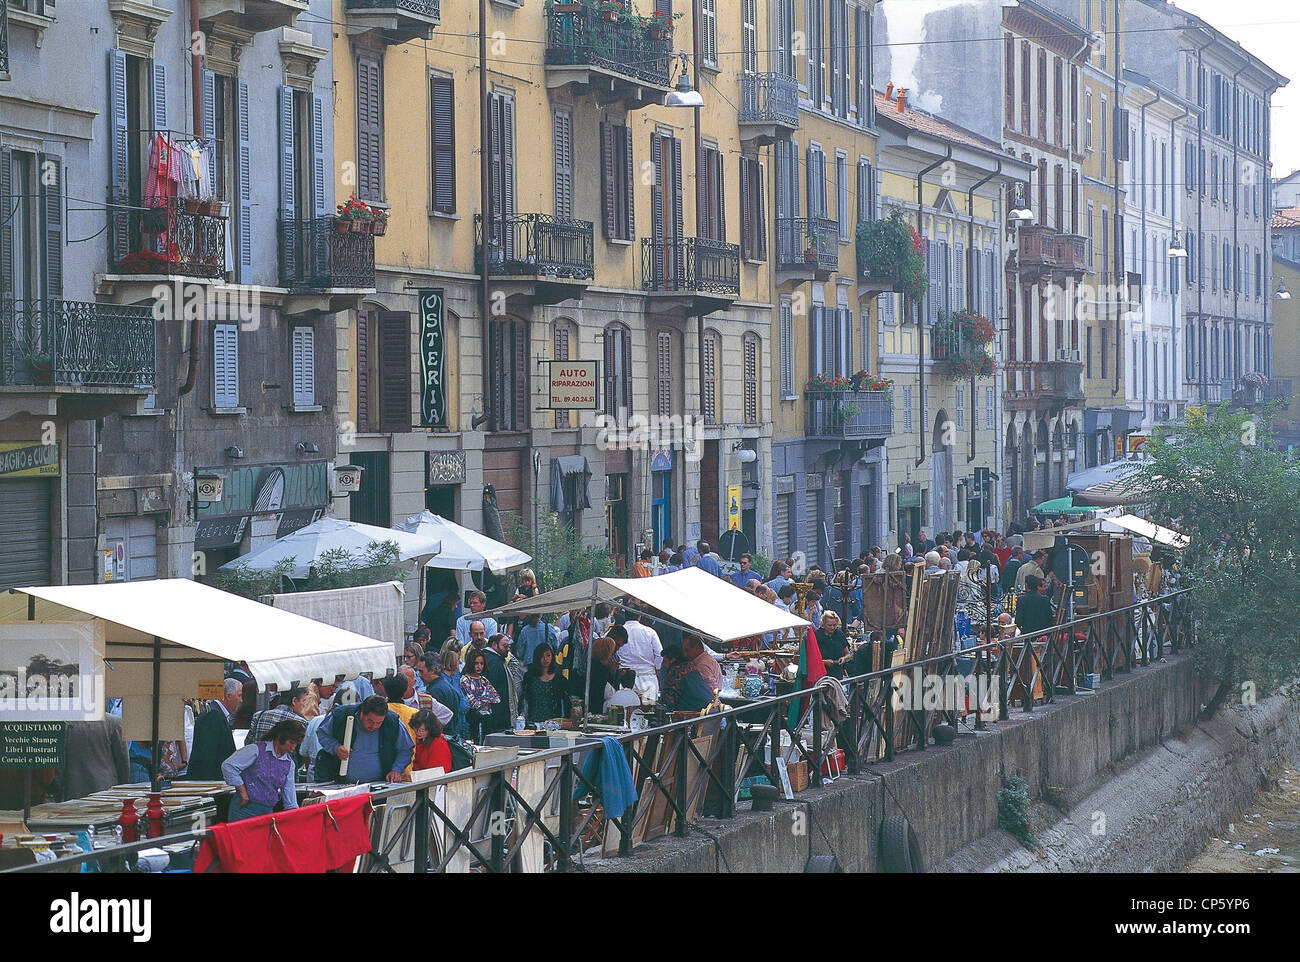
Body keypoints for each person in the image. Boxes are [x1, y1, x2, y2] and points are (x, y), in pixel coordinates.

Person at [316, 694, 414, 784]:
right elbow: (322, 733)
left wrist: (396, 770)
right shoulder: (342, 715)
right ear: (361, 713)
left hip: (380, 784)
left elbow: (406, 749)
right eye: (370, 721)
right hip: (342, 783)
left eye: (379, 722)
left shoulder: (392, 722)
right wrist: (335, 747)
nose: (374, 726)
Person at [221, 719, 306, 822]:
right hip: (244, 810)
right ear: (281, 737)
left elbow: (290, 798)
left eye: (296, 744)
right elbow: (228, 766)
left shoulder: (289, 763)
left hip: (267, 812)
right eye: (291, 742)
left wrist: (295, 817)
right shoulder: (255, 750)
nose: (293, 748)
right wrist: (243, 791)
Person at [186, 679, 242, 780]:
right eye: (239, 696)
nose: (241, 700)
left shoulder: (216, 713)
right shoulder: (212, 715)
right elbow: (207, 756)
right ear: (228, 696)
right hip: (209, 783)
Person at [619, 608, 664, 701]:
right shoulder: (650, 632)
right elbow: (659, 654)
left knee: (624, 710)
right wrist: (658, 669)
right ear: (639, 616)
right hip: (647, 679)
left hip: (624, 678)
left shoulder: (618, 631)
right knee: (648, 710)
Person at [417, 651, 464, 738]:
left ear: (432, 670)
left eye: (421, 671)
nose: (419, 675)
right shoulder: (448, 686)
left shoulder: (434, 691)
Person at [460, 649, 503, 741]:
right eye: (476, 663)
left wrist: (480, 699)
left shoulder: (484, 680)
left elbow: (497, 698)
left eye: (481, 663)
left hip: (488, 720)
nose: (479, 666)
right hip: (473, 720)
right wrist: (487, 699)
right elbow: (473, 703)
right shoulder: (465, 680)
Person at [586, 636, 635, 713]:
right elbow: (608, 692)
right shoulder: (598, 668)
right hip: (596, 707)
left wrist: (616, 674)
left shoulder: (596, 665)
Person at [522, 645, 569, 725]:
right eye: (541, 656)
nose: (545, 659)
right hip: (533, 721)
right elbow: (525, 698)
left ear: (552, 656)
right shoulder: (529, 676)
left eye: (548, 655)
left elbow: (566, 701)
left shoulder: (559, 678)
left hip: (554, 722)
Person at [659, 646, 713, 713]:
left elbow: (668, 701)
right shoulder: (690, 666)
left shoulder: (676, 671)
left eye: (665, 661)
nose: (663, 665)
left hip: (698, 713)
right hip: (710, 708)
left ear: (672, 660)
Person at [816, 610, 851, 679]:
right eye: (829, 625)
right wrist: (824, 662)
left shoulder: (840, 634)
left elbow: (848, 654)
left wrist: (844, 658)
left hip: (837, 673)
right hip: (822, 673)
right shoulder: (817, 635)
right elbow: (812, 659)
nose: (832, 627)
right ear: (823, 624)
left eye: (834, 625)